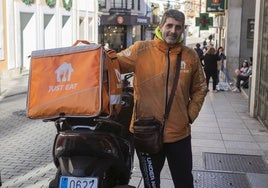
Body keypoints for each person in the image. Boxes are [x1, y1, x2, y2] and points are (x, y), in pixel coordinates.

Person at [116, 9, 207, 188]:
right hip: (146, 133)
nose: (173, 31)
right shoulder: (140, 49)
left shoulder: (190, 56)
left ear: (182, 30)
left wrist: (189, 115)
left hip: (178, 134)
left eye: (178, 27)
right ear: (161, 26)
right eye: (169, 25)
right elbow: (114, 64)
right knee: (151, 184)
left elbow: (200, 88)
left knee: (184, 183)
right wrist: (95, 54)